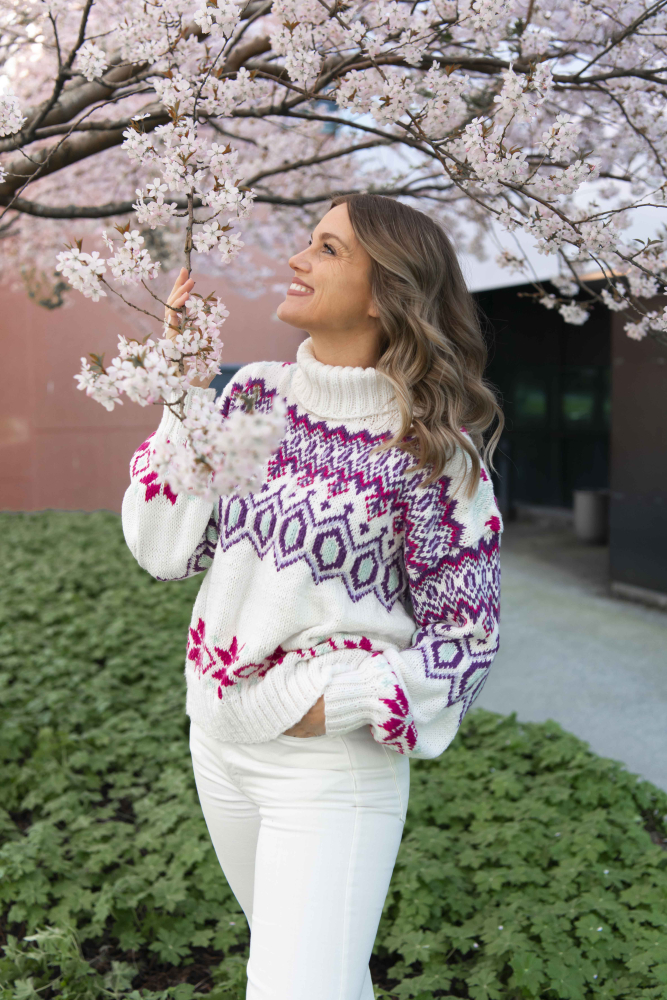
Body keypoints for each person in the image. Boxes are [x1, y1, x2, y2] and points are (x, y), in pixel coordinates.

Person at [121, 194, 504, 1000]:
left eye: (327, 249)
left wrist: (337, 700)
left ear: (384, 293)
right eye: (308, 241)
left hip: (328, 765)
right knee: (318, 979)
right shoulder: (254, 398)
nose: (296, 258)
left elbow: (466, 640)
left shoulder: (430, 452)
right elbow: (166, 548)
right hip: (217, 743)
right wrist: (183, 396)